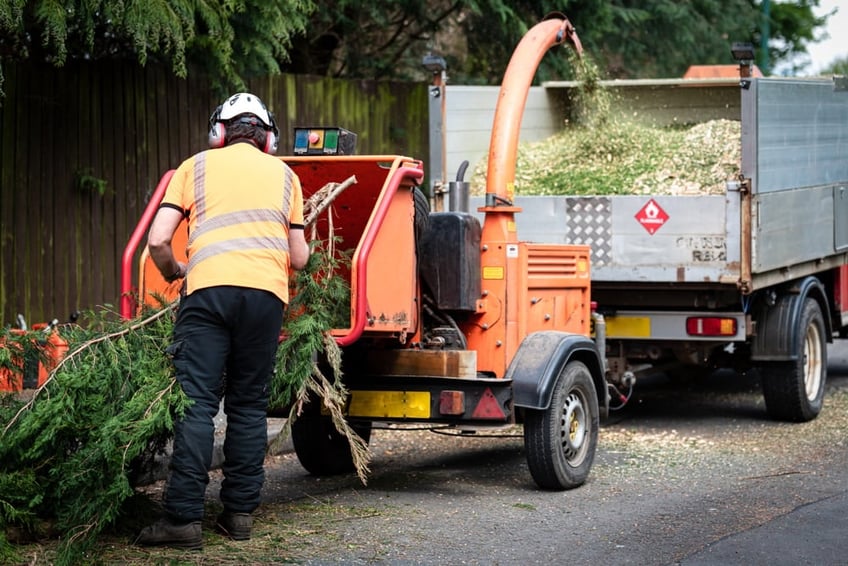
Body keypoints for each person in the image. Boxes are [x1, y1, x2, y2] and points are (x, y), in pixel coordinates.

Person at [135, 92, 310, 550]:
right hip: (266, 298)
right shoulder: (287, 176)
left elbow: (156, 240)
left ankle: (182, 522)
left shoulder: (194, 167)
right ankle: (238, 518)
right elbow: (300, 256)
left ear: (219, 132)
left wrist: (176, 271)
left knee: (197, 405)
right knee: (249, 407)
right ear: (268, 138)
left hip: (208, 293)